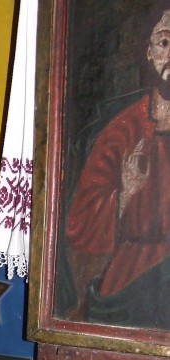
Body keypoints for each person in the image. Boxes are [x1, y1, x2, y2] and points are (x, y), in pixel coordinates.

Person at [66, 2, 170, 326]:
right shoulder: (123, 131)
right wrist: (125, 193)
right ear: (149, 52)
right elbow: (80, 227)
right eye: (164, 42)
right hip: (134, 277)